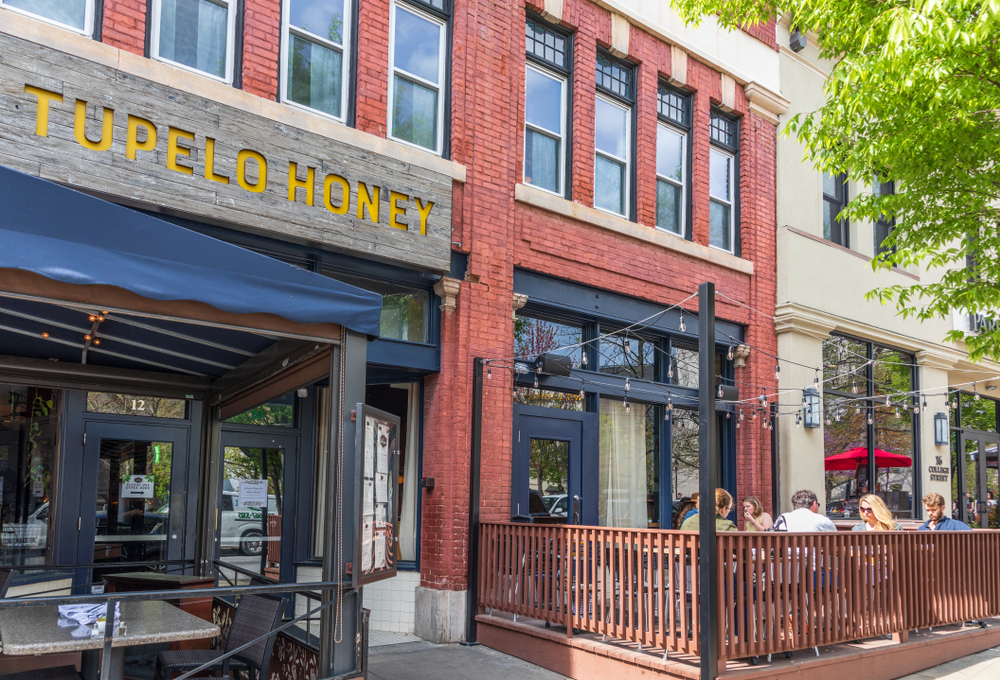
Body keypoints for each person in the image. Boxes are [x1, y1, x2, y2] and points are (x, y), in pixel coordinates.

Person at [773, 489, 837, 532]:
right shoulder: (822, 521)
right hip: (811, 553)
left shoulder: (782, 518)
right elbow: (836, 540)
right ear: (814, 504)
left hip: (785, 552)